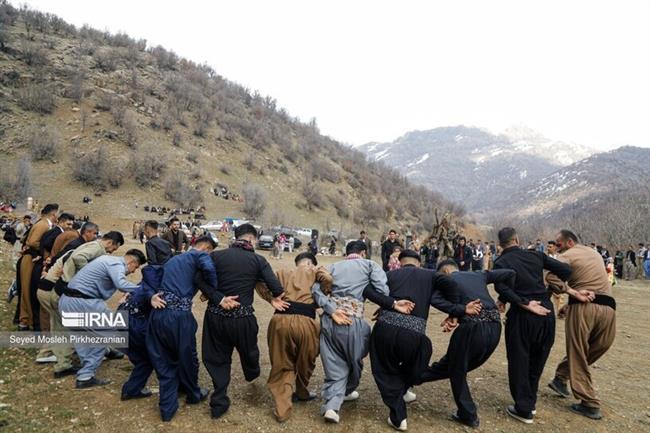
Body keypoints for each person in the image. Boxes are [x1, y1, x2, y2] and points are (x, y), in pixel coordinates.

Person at [493, 227, 579, 424]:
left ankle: (523, 408)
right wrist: (549, 287)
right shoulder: (536, 255)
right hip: (546, 311)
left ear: (501, 244)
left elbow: (501, 286)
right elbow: (566, 270)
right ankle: (529, 403)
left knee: (519, 359)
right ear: (517, 239)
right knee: (538, 359)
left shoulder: (501, 262)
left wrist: (521, 301)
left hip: (523, 315)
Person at [202, 224, 288, 419]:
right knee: (249, 351)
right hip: (243, 318)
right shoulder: (257, 260)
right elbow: (277, 289)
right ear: (252, 239)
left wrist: (219, 298)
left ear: (236, 237)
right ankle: (251, 372)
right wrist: (271, 293)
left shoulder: (215, 257)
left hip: (216, 314)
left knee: (217, 358)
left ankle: (219, 401)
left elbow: (200, 280)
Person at [419, 259, 513, 428]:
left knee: (456, 368)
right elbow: (510, 273)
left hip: (472, 327)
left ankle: (468, 415)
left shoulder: (447, 280)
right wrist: (503, 299)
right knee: (451, 364)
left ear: (445, 272)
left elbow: (434, 299)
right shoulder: (478, 274)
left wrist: (457, 310)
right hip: (495, 327)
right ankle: (413, 378)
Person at [368, 251, 454, 431]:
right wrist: (455, 311)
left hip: (385, 328)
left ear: (399, 263)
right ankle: (405, 388)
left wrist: (387, 304)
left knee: (384, 368)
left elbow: (367, 289)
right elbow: (452, 283)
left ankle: (399, 417)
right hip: (414, 335)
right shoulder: (430, 274)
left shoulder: (389, 274)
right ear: (419, 262)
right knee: (416, 361)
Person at [312, 240, 392, 424]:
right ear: (363, 252)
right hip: (353, 320)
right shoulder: (370, 265)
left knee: (333, 363)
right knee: (354, 361)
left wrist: (332, 310)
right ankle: (346, 391)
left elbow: (316, 291)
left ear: (347, 253)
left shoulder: (332, 266)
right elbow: (383, 290)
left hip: (330, 319)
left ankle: (333, 405)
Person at [147, 236, 221, 421]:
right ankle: (193, 393)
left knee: (163, 359)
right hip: (179, 317)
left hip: (158, 314)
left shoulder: (173, 258)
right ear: (206, 248)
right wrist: (212, 288)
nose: (209, 255)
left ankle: (167, 408)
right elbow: (210, 269)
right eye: (210, 252)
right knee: (187, 357)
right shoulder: (199, 256)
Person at [546, 230, 616, 420]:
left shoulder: (566, 255)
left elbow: (551, 277)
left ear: (569, 242)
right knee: (597, 347)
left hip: (585, 307)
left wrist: (570, 292)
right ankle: (562, 379)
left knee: (578, 351)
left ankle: (588, 402)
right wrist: (571, 304)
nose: (556, 247)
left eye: (558, 244)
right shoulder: (593, 253)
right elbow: (592, 281)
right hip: (608, 308)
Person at [255, 252, 333, 422]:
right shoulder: (315, 270)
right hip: (306, 322)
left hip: (280, 320)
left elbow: (260, 282)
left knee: (282, 362)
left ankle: (282, 410)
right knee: (306, 360)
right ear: (311, 263)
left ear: (297, 262)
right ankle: (302, 391)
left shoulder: (282, 272)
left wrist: (271, 299)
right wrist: (325, 293)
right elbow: (327, 278)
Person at [58, 249, 146, 388]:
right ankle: (86, 374)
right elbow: (121, 284)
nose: (134, 271)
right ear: (131, 262)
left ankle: (87, 369)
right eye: (135, 267)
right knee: (105, 334)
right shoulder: (116, 264)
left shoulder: (106, 260)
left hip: (67, 301)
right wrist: (144, 291)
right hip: (84, 303)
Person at [18, 203, 59, 331]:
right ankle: (24, 321)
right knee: (26, 290)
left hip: (32, 259)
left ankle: (27, 320)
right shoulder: (44, 225)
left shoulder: (44, 224)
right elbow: (32, 242)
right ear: (53, 214)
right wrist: (46, 250)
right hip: (30, 260)